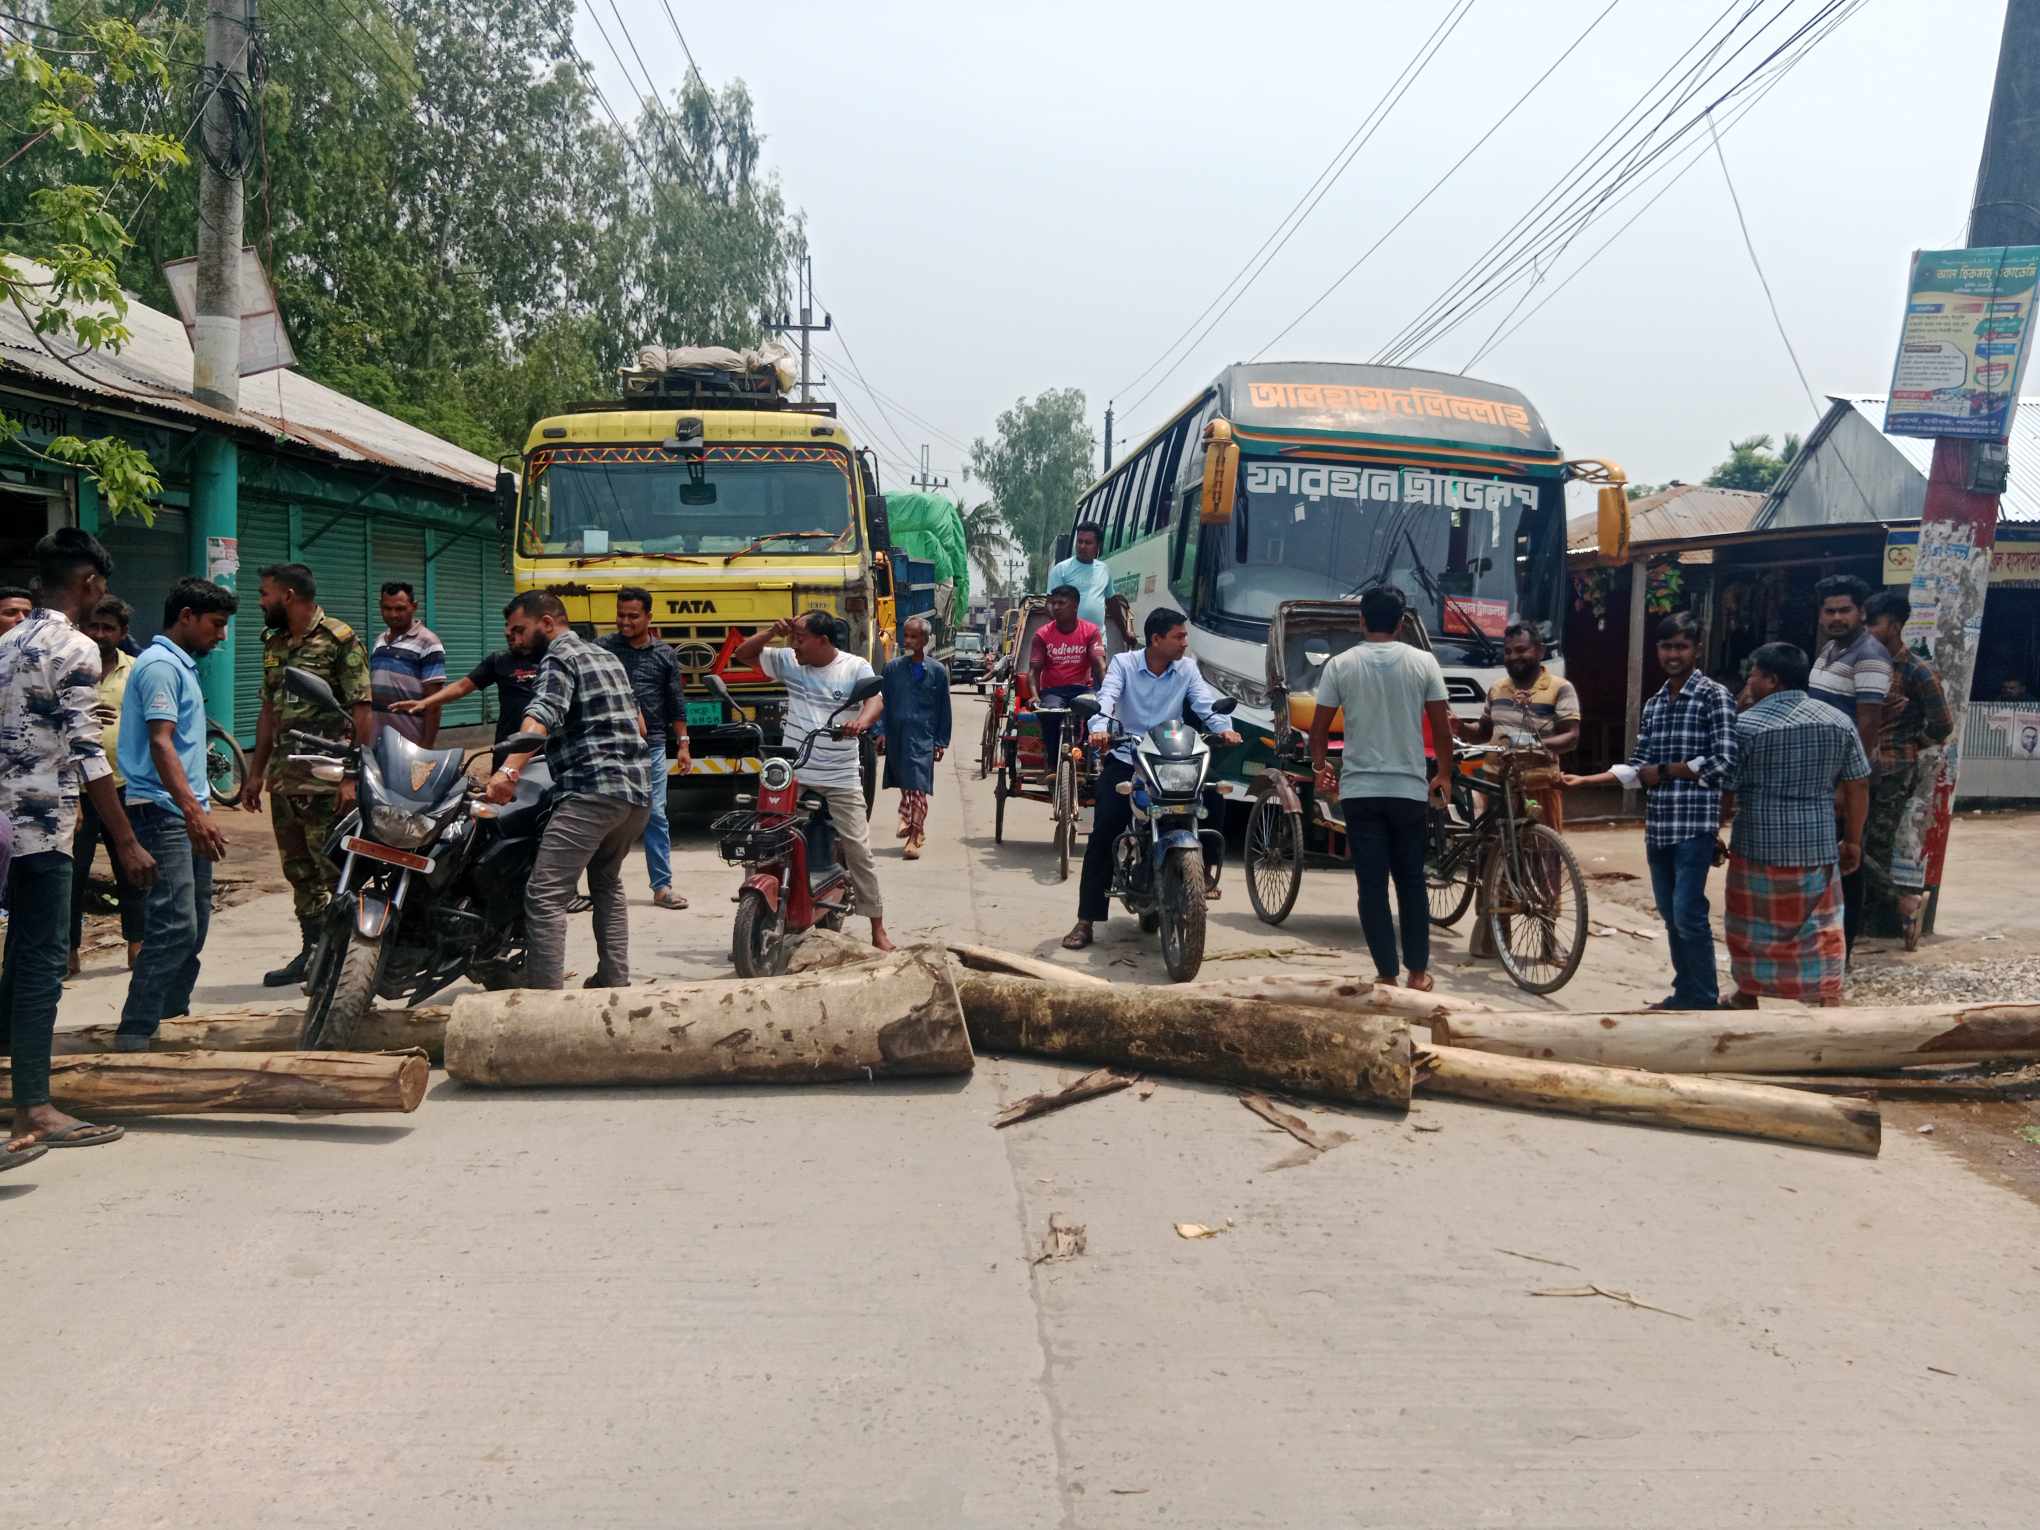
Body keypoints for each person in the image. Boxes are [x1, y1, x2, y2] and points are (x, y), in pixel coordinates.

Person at [0, 528, 156, 1156]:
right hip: (43, 828)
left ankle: (17, 1081)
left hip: (5, 822)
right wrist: (124, 841)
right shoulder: (77, 649)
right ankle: (34, 1110)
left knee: (18, 961)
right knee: (41, 963)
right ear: (90, 582)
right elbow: (87, 751)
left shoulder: (6, 641)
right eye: (103, 585)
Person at [1561, 612, 1739, 1010]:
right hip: (1659, 827)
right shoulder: (1656, 703)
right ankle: (1686, 992)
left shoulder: (1714, 696)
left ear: (1696, 649)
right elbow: (1637, 768)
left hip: (1694, 826)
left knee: (1688, 914)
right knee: (1671, 915)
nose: (1673, 654)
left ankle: (1704, 999)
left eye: (1681, 646)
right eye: (1666, 646)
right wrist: (1585, 781)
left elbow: (1726, 762)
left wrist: (1668, 771)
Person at [485, 593, 654, 989]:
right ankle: (614, 980)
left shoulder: (559, 657)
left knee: (545, 895)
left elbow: (543, 713)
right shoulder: (608, 658)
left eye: (519, 630)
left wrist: (508, 771)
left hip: (592, 791)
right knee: (607, 883)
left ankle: (546, 1003)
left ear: (547, 623)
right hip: (636, 793)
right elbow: (641, 727)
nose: (516, 639)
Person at [1064, 606, 1241, 952]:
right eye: (1179, 636)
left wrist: (1225, 730)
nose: (1185, 644)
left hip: (1171, 757)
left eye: (1185, 636)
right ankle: (1086, 919)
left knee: (1213, 798)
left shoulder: (1187, 669)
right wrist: (1099, 731)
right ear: (1157, 639)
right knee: (1105, 830)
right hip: (1127, 757)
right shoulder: (1124, 664)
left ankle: (1201, 874)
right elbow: (1106, 700)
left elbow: (1205, 707)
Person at [1305, 586, 1454, 990]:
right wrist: (1444, 775)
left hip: (1360, 794)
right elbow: (1443, 727)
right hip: (1408, 791)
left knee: (1371, 886)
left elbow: (1318, 732)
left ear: (1362, 621)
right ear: (1402, 623)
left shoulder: (1341, 665)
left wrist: (1321, 769)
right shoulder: (1424, 663)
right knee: (1411, 882)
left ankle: (1386, 976)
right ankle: (1419, 974)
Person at [116, 578, 236, 1050]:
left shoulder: (181, 665)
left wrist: (199, 810)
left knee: (197, 922)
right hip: (163, 813)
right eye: (216, 624)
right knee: (174, 923)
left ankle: (172, 1017)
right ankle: (135, 1031)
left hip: (185, 812)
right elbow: (160, 741)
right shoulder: (161, 666)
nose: (221, 636)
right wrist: (193, 812)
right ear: (186, 616)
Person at [239, 562, 371, 988]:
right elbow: (268, 711)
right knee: (299, 872)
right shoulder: (274, 642)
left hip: (326, 780)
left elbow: (362, 711)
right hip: (284, 779)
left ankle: (345, 961)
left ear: (288, 596)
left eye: (264, 594)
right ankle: (312, 950)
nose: (260, 601)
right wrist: (255, 773)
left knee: (335, 871)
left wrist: (352, 775)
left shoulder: (339, 639)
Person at [1720, 642, 1870, 1009]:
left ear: (1771, 680)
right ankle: (1827, 994)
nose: (1748, 680)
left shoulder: (1746, 726)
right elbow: (1858, 784)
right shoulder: (1838, 721)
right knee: (1820, 926)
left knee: (1754, 927)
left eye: (1752, 674)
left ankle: (1748, 993)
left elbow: (1726, 787)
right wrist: (1852, 841)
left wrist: (1716, 828)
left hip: (1757, 843)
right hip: (1817, 843)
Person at [730, 612, 891, 949]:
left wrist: (861, 723)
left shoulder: (854, 666)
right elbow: (743, 655)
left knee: (858, 848)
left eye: (800, 637)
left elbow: (875, 699)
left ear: (823, 640)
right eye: (792, 636)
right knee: (765, 837)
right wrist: (770, 632)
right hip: (795, 771)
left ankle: (877, 928)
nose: (793, 643)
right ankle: (760, 911)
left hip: (840, 773)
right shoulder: (790, 660)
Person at [1861, 590, 1952, 949]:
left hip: (1893, 769)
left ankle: (1878, 922)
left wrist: (1913, 745)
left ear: (1895, 626)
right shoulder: (1863, 664)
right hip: (1856, 767)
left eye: (1874, 623)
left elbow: (1942, 724)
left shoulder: (1917, 670)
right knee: (1848, 840)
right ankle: (1899, 903)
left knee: (1876, 846)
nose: (1868, 630)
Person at [1806, 573, 1888, 958]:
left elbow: (1868, 722)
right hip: (1822, 775)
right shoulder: (1830, 650)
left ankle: (1844, 954)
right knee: (1824, 863)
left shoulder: (1869, 654)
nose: (1836, 617)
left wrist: (1847, 784)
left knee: (1847, 864)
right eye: (1830, 611)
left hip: (1845, 779)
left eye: (1844, 610)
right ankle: (1822, 946)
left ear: (1861, 612)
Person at [599, 587, 691, 910]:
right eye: (621, 615)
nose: (625, 622)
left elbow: (675, 704)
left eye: (633, 616)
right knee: (603, 815)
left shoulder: (664, 654)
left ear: (649, 617)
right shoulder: (603, 649)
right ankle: (598, 886)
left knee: (655, 814)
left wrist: (683, 745)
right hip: (609, 745)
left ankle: (662, 887)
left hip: (650, 747)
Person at [67, 596, 143, 977]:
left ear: (122, 633)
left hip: (123, 785)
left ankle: (136, 944)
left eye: (107, 628)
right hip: (76, 790)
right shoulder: (70, 668)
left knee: (130, 866)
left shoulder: (137, 671)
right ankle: (69, 952)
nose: (99, 634)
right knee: (74, 873)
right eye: (93, 627)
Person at [1455, 621, 1580, 831]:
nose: (1513, 657)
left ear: (1540, 651)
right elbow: (1484, 732)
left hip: (1538, 785)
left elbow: (1571, 737)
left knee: (1544, 856)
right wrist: (1461, 727)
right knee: (1493, 853)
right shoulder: (1497, 689)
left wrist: (1523, 743)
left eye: (1521, 650)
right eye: (1508, 651)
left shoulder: (1561, 688)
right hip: (1496, 785)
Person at [390, 600, 541, 745]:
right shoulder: (499, 660)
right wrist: (425, 702)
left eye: (516, 629)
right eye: (507, 626)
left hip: (545, 751)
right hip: (508, 746)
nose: (507, 632)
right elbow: (461, 687)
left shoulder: (553, 659)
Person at [881, 616, 951, 860]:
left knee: (918, 785)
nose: (908, 640)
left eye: (914, 636)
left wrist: (941, 741)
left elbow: (944, 707)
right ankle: (911, 823)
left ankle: (914, 836)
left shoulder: (938, 671)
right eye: (906, 635)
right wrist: (880, 732)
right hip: (898, 734)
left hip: (924, 737)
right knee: (905, 783)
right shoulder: (891, 669)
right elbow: (883, 702)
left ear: (925, 639)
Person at [1028, 584, 1104, 765]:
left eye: (1061, 603)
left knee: (1095, 713)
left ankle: (1089, 756)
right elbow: (1033, 671)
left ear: (1075, 605)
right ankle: (1053, 764)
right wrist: (1034, 696)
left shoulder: (1091, 631)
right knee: (1049, 715)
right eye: (1053, 603)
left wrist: (1106, 695)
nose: (1056, 607)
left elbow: (1099, 666)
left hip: (1082, 689)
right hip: (1053, 691)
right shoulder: (1042, 635)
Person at [369, 580, 445, 745]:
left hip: (410, 743)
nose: (393, 614)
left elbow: (434, 703)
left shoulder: (428, 642)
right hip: (377, 741)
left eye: (400, 608)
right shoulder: (379, 640)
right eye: (387, 608)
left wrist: (425, 748)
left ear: (414, 606)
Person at [1045, 521, 1113, 629]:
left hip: (1097, 641)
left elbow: (1112, 602)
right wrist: (1065, 630)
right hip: (1069, 642)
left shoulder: (1104, 570)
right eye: (1079, 541)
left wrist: (1125, 632)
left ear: (1098, 546)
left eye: (1088, 543)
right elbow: (1050, 605)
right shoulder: (1061, 569)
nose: (1082, 546)